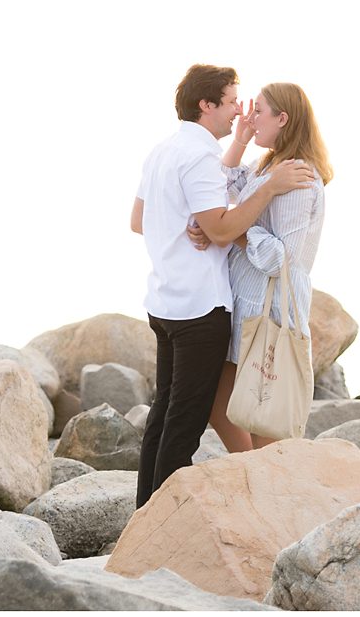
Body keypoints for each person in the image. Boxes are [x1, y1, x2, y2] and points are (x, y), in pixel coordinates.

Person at [129, 64, 314, 507]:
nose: (239, 111)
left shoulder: (163, 150)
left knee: (164, 415)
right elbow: (222, 228)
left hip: (165, 301)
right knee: (184, 424)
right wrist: (253, 202)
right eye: (232, 101)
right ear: (206, 105)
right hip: (198, 309)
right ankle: (162, 520)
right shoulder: (199, 157)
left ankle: (145, 514)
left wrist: (202, 223)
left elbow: (139, 221)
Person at [194, 82, 331, 454]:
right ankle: (252, 475)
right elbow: (219, 186)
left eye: (259, 112)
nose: (249, 117)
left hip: (270, 312)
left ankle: (269, 490)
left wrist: (230, 232)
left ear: (282, 118)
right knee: (219, 407)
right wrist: (239, 140)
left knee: (264, 419)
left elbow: (280, 259)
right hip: (247, 307)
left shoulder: (298, 177)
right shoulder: (270, 165)